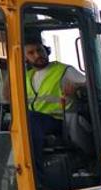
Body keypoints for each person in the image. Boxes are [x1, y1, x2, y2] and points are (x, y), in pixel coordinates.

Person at [21, 32, 86, 166]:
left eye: (40, 50)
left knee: (31, 120)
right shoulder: (26, 77)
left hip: (58, 121)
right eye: (31, 53)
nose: (38, 55)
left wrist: (77, 88)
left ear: (46, 50)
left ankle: (35, 173)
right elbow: (7, 96)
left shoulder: (63, 70)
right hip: (35, 121)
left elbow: (89, 85)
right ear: (25, 58)